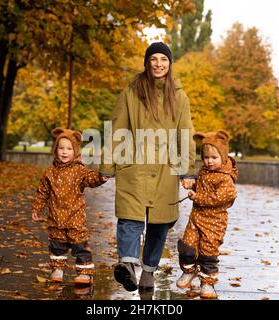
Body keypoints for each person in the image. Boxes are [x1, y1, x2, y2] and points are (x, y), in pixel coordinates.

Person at [99, 42, 196, 293]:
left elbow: (184, 133)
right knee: (129, 218)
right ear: (147, 62)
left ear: (169, 64)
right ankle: (128, 264)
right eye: (153, 59)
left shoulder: (179, 95)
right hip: (134, 165)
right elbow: (118, 129)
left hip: (165, 169)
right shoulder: (131, 92)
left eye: (163, 59)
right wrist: (108, 164)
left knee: (159, 223)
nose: (158, 64)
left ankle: (148, 271)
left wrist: (186, 170)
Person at [31, 127, 108, 284]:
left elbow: (90, 178)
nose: (64, 152)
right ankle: (57, 269)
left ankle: (84, 272)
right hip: (55, 218)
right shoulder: (49, 173)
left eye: (68, 149)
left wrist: (100, 177)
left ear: (75, 151)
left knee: (79, 246)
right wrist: (37, 208)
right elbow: (42, 192)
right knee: (57, 246)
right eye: (61, 148)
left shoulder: (79, 171)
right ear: (56, 150)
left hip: (75, 219)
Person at [176, 130, 238, 299]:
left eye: (214, 158)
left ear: (223, 157)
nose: (209, 161)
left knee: (208, 254)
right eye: (206, 158)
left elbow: (222, 197)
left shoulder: (225, 178)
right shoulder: (204, 172)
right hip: (196, 218)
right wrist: (194, 185)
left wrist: (199, 197)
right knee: (186, 248)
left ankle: (207, 283)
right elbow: (203, 188)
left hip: (214, 222)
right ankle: (190, 269)